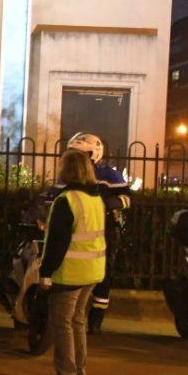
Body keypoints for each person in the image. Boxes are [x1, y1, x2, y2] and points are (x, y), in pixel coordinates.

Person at [37, 149, 106, 375]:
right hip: (93, 270)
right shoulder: (95, 199)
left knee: (63, 322)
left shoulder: (66, 200)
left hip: (71, 272)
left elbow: (57, 241)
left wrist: (46, 272)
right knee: (78, 320)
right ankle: (79, 372)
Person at [66, 133, 131, 335]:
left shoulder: (110, 175)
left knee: (104, 275)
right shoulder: (70, 175)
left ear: (94, 153)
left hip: (106, 231)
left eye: (81, 153)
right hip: (76, 229)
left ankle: (95, 319)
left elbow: (127, 200)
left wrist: (107, 205)